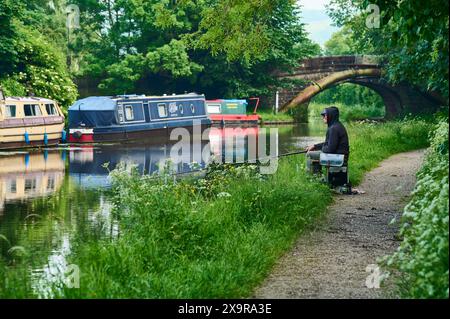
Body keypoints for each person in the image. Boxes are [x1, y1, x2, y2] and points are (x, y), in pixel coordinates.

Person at [305, 106, 349, 174]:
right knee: (315, 153)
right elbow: (328, 143)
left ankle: (313, 178)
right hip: (339, 156)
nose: (323, 117)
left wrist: (321, 149)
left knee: (309, 154)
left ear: (331, 116)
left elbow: (330, 149)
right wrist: (315, 146)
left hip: (339, 158)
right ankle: (317, 176)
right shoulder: (336, 125)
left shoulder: (334, 129)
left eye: (325, 115)